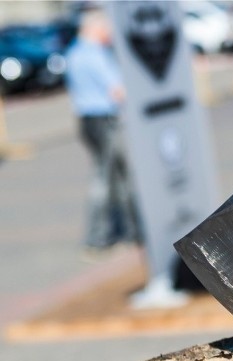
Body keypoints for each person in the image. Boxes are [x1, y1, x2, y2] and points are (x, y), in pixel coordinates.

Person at [65, 9, 139, 254]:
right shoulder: (95, 55)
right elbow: (118, 90)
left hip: (87, 120)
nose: (109, 33)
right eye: (106, 28)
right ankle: (100, 235)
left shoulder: (74, 52)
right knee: (108, 178)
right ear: (94, 28)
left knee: (114, 176)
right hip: (104, 119)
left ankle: (128, 229)